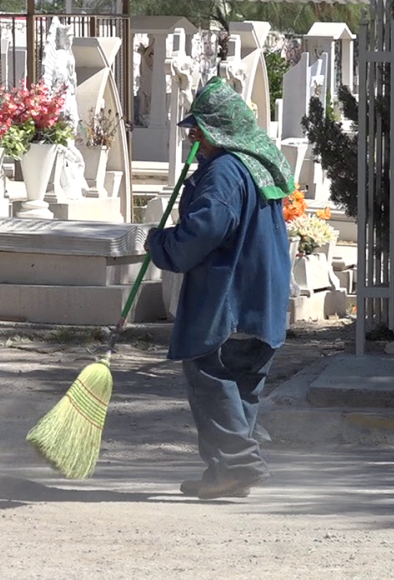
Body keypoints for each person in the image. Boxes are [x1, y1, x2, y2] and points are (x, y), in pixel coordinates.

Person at [145, 76, 295, 500]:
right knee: (241, 387)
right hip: (261, 298)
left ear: (220, 132)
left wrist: (161, 244)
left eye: (201, 128)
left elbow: (205, 229)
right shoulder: (258, 165)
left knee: (210, 378)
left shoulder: (225, 171)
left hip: (228, 297)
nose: (194, 135)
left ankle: (240, 464)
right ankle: (224, 474)